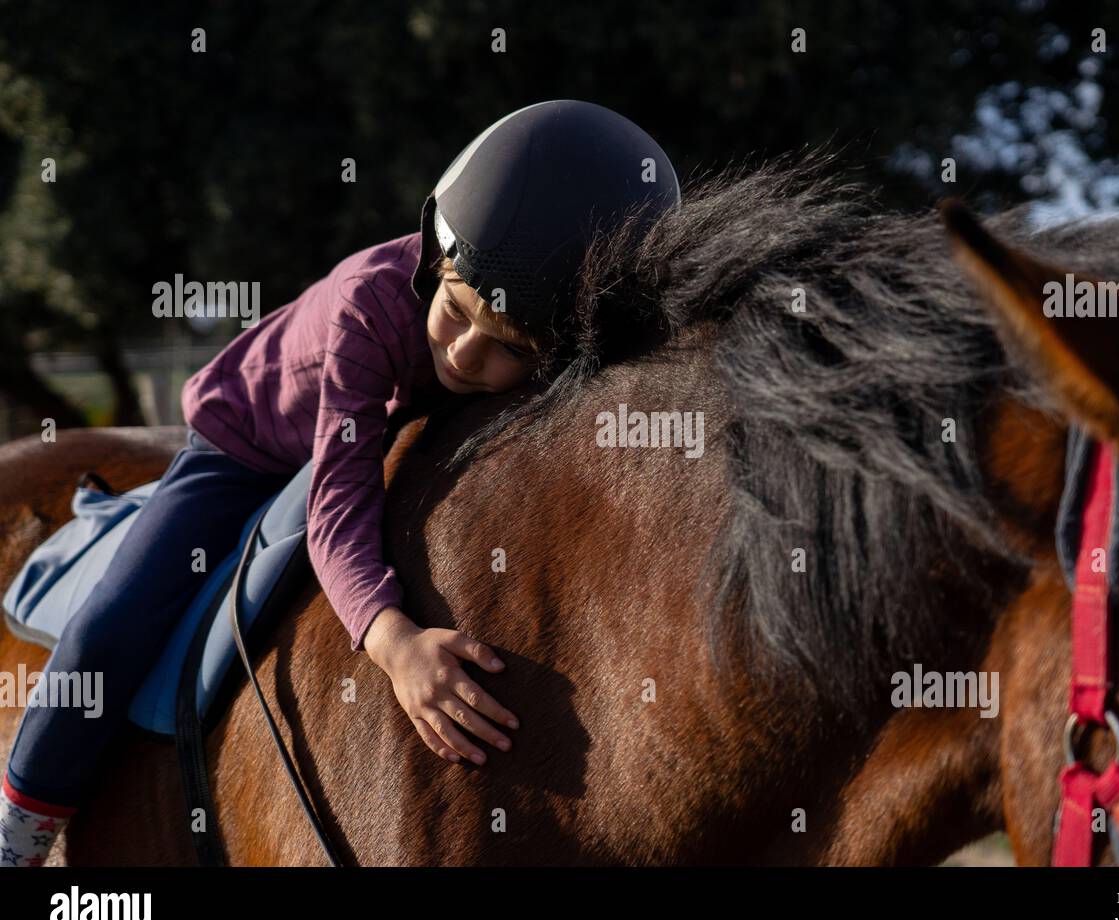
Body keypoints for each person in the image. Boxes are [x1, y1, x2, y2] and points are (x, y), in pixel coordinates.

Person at [0, 100, 680, 866]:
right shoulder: (370, 305)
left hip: (382, 429)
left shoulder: (511, 328)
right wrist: (393, 643)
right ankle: (17, 833)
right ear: (433, 257)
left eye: (508, 350)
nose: (462, 356)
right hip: (246, 443)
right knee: (110, 627)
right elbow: (336, 501)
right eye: (454, 313)